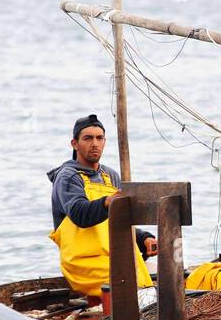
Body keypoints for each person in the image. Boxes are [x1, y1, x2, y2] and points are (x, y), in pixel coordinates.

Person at [47, 114, 152, 297]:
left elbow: (119, 220)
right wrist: (106, 202)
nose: (94, 143)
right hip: (84, 263)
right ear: (75, 143)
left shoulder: (110, 176)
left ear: (104, 141)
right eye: (87, 138)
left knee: (144, 281)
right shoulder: (68, 177)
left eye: (99, 138)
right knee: (128, 281)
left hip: (115, 255)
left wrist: (143, 238)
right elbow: (80, 214)